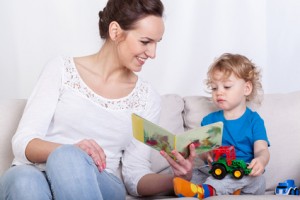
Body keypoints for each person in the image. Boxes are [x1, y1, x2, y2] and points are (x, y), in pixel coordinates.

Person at [0, 0, 196, 199]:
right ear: (115, 31)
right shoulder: (60, 70)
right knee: (24, 179)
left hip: (100, 181)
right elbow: (23, 142)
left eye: (156, 43)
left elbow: (135, 175)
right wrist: (71, 150)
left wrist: (177, 179)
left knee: (67, 158)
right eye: (145, 42)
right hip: (33, 172)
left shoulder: (147, 98)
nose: (153, 53)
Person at [173, 53, 270, 199]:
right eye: (214, 88)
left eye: (227, 86)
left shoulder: (254, 121)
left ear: (247, 88)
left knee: (256, 180)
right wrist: (207, 154)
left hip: (244, 173)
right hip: (217, 170)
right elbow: (202, 151)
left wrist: (261, 160)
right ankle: (222, 189)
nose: (219, 92)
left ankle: (207, 191)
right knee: (197, 173)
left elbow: (262, 149)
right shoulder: (209, 121)